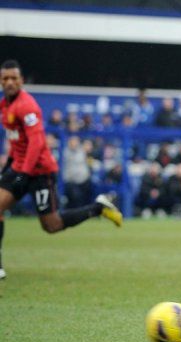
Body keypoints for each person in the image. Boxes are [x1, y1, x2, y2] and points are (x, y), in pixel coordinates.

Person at [0, 60, 123, 280]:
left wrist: (24, 174)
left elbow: (37, 143)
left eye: (14, 78)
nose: (9, 82)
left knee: (52, 225)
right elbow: (17, 140)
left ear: (21, 80)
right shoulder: (4, 105)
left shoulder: (27, 106)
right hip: (19, 168)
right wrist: (10, 165)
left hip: (39, 172)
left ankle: (97, 208)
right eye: (5, 78)